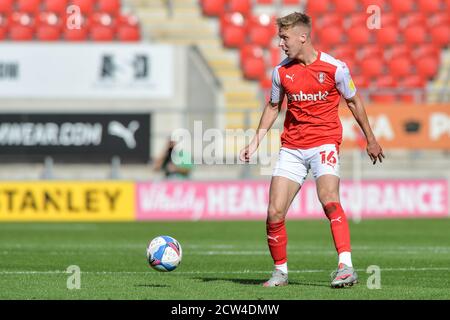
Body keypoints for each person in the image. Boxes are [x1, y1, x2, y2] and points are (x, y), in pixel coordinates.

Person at [239, 12, 384, 288]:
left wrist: (371, 138)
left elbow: (353, 101)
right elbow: (273, 106)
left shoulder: (334, 68)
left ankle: (346, 266)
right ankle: (280, 272)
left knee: (329, 199)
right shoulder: (280, 72)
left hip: (324, 143)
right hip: (292, 147)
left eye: (284, 38)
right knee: (274, 212)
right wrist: (255, 140)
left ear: (303, 37)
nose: (280, 43)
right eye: (280, 37)